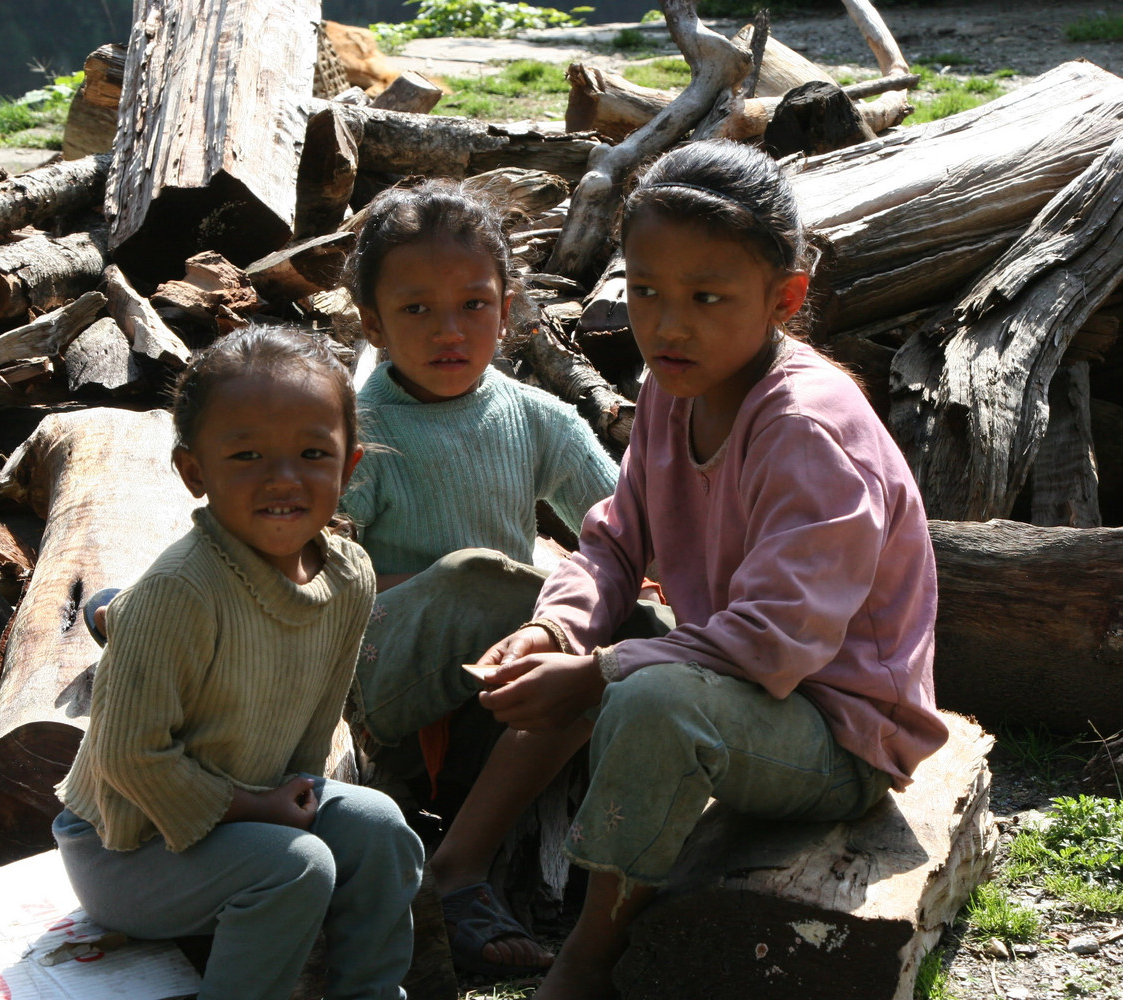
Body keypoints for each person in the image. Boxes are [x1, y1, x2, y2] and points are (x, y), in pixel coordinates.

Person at [473, 140, 950, 997]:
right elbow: (615, 542)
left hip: (839, 730)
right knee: (578, 644)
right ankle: (454, 871)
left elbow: (775, 643)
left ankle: (589, 954)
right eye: (646, 291)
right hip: (738, 684)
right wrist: (556, 631)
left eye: (706, 297)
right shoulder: (673, 389)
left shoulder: (805, 429)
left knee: (646, 697)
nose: (667, 325)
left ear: (785, 299)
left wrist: (600, 672)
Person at [53, 325, 424, 1000]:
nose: (283, 478)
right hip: (126, 847)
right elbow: (128, 758)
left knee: (381, 829)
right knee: (297, 866)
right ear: (195, 472)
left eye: (313, 453)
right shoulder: (180, 591)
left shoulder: (348, 577)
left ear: (348, 467)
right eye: (247, 455)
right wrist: (259, 809)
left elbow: (314, 726)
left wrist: (291, 798)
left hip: (251, 812)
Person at [339, 179, 638, 977]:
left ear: (506, 311)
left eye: (473, 305)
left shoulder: (536, 417)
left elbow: (628, 531)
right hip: (390, 686)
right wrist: (437, 584)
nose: (449, 330)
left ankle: (467, 861)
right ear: (372, 323)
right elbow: (310, 569)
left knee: (626, 643)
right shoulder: (358, 429)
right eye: (416, 309)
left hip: (506, 688)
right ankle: (459, 867)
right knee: (479, 579)